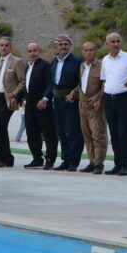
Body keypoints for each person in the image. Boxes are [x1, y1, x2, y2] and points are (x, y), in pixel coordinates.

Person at [100, 32, 127, 176]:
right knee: (114, 134)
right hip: (108, 98)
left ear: (121, 42)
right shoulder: (105, 60)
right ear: (107, 44)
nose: (116, 44)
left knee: (124, 132)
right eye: (113, 42)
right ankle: (117, 164)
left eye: (118, 41)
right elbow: (104, 80)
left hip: (124, 98)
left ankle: (125, 165)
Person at [0, 37, 25, 168]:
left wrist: (14, 94)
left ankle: (0, 158)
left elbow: (22, 81)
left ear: (10, 47)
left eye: (6, 45)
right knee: (1, 128)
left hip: (8, 99)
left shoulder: (17, 61)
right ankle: (8, 158)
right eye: (1, 45)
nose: (3, 48)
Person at [51, 34, 83, 172]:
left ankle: (74, 161)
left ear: (70, 46)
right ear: (56, 47)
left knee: (72, 132)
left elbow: (82, 81)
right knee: (61, 132)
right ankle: (66, 159)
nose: (63, 47)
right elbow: (52, 81)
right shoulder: (54, 61)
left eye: (66, 44)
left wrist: (74, 95)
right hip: (57, 101)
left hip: (71, 100)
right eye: (61, 44)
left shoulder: (77, 61)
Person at [21, 42, 56, 169]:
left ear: (39, 52)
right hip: (29, 106)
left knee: (48, 133)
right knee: (31, 132)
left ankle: (50, 159)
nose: (32, 53)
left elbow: (50, 83)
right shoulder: (27, 67)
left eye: (35, 50)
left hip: (42, 105)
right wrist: (17, 98)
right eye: (30, 51)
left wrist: (45, 98)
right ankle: (37, 158)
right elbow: (26, 86)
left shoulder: (45, 66)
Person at [77, 41, 107, 174]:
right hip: (82, 104)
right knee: (87, 135)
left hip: (95, 105)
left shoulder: (101, 66)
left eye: (91, 50)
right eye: (86, 50)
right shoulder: (82, 66)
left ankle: (99, 163)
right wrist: (73, 93)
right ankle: (92, 161)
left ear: (95, 51)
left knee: (98, 134)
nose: (88, 52)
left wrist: (99, 98)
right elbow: (81, 84)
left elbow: (105, 83)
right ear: (82, 52)